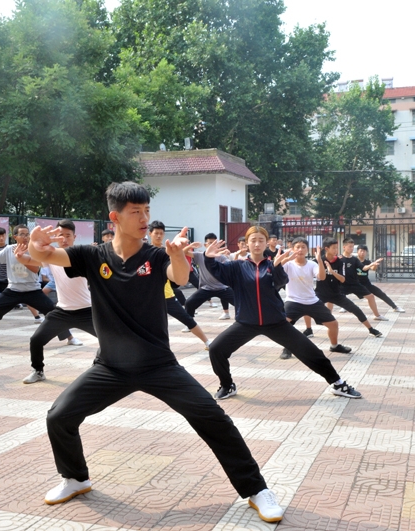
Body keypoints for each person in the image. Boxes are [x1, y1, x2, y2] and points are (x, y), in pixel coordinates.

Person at [28, 182, 285, 523]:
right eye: (136, 212)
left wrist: (177, 254)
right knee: (59, 416)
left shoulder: (155, 255)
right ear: (115, 217)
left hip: (158, 365)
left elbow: (178, 277)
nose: (145, 218)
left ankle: (256, 490)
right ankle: (75, 478)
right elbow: (46, 256)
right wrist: (36, 245)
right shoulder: (91, 256)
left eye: (147, 211)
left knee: (213, 418)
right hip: (111, 367)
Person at [204, 227, 362, 401]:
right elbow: (216, 271)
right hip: (246, 322)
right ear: (247, 243)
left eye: (261, 240)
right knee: (216, 349)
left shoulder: (274, 265)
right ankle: (227, 385)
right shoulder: (236, 267)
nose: (257, 244)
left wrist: (277, 267)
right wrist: (208, 257)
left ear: (266, 243)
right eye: (253, 240)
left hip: (275, 322)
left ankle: (338, 383)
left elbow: (279, 283)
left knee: (310, 351)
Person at [21, 220, 97, 383]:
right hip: (63, 311)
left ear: (74, 237)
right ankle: (38, 371)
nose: (64, 238)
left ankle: (104, 369)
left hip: (87, 310)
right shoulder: (51, 256)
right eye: (60, 235)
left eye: (68, 235)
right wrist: (22, 254)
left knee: (109, 339)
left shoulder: (82, 255)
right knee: (36, 340)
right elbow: (31, 259)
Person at [0, 225, 59, 348]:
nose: (25, 237)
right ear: (15, 237)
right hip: (13, 290)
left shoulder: (34, 249)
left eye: (27, 234)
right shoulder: (9, 249)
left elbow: (35, 269)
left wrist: (21, 258)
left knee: (53, 312)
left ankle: (69, 337)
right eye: (22, 234)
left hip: (32, 290)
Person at [279, 238, 352, 360]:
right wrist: (285, 259)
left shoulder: (312, 264)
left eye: (303, 247)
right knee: (284, 324)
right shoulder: (288, 264)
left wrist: (319, 260)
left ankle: (334, 346)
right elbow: (274, 269)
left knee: (333, 324)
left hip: (312, 301)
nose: (300, 250)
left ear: (307, 250)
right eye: (297, 247)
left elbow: (322, 277)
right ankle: (287, 348)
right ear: (292, 249)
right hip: (293, 301)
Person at [148, 221, 211, 349]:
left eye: (161, 233)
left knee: (186, 318)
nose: (159, 236)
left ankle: (207, 342)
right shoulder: (144, 251)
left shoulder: (167, 251)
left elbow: (178, 271)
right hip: (150, 297)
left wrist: (182, 250)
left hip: (167, 294)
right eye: (156, 233)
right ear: (150, 234)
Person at [314, 238, 383, 338]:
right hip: (321, 293)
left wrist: (332, 272)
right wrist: (320, 261)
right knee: (306, 307)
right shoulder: (317, 261)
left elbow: (342, 279)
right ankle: (308, 329)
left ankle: (371, 329)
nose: (336, 251)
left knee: (356, 309)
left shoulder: (339, 261)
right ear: (326, 249)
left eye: (337, 248)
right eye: (334, 248)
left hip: (336, 293)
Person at [185, 233, 234, 321]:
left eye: (214, 243)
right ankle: (189, 323)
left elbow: (229, 265)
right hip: (205, 288)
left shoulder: (221, 256)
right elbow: (183, 252)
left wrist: (228, 256)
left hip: (222, 288)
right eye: (210, 243)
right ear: (205, 245)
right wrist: (190, 246)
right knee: (189, 303)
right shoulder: (198, 256)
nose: (212, 245)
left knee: (241, 302)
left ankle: (243, 320)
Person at [338, 238, 387, 321]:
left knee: (371, 296)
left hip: (355, 284)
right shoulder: (339, 259)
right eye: (350, 247)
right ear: (344, 247)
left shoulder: (354, 259)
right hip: (342, 284)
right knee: (330, 298)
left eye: (352, 247)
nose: (351, 248)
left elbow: (364, 268)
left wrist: (372, 264)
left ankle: (377, 315)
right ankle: (328, 317)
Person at [356, 245, 405, 314]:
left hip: (366, 284)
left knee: (381, 293)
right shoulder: (354, 261)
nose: (362, 253)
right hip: (356, 284)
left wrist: (375, 264)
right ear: (357, 252)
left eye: (364, 251)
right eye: (361, 251)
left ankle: (395, 307)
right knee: (344, 291)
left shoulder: (367, 262)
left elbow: (373, 269)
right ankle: (344, 307)